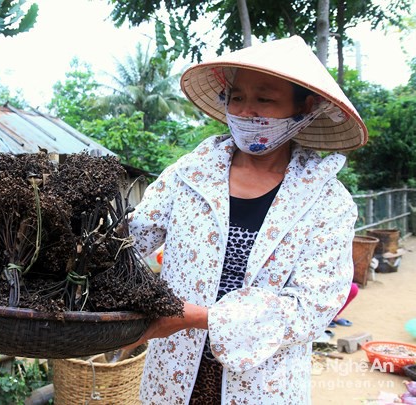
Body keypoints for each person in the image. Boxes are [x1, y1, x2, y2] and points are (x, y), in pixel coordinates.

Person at [127, 36, 368, 404]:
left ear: (305, 107)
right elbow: (132, 238)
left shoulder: (327, 202)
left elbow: (312, 306)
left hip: (263, 385)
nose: (245, 111)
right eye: (237, 97)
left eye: (264, 99)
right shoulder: (191, 173)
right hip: (171, 375)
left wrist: (197, 317)